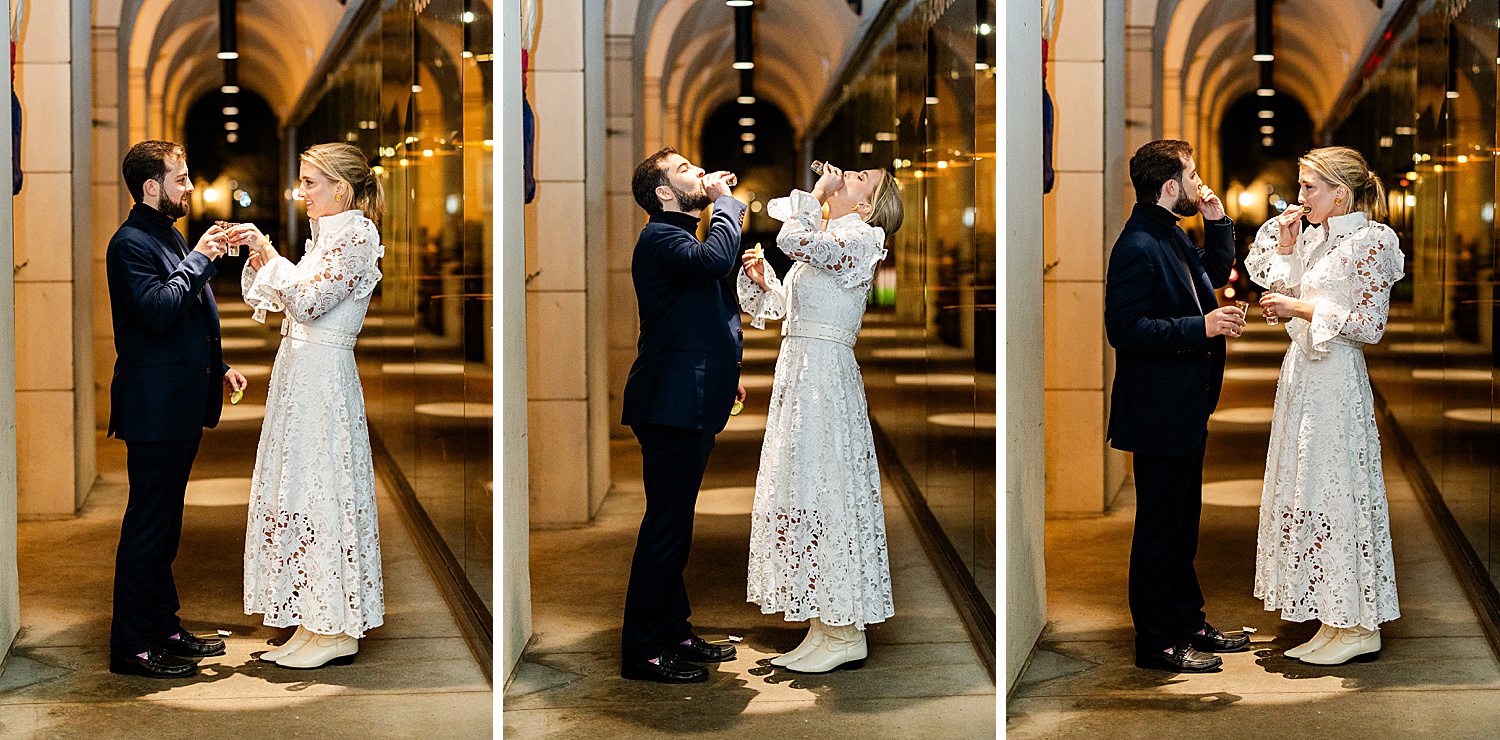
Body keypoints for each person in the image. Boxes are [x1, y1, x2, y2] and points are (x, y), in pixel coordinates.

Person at [738, 162, 903, 674]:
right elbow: (800, 305)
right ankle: (824, 621)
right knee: (803, 489)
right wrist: (768, 285)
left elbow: (793, 239)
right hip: (801, 373)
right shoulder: (831, 238)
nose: (846, 175)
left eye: (859, 179)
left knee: (826, 488)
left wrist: (813, 191)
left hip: (825, 378)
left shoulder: (862, 237)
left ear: (867, 204)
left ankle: (844, 630)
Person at [232, 143, 386, 669]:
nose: (302, 192)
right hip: (299, 373)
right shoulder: (326, 239)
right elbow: (289, 297)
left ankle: (336, 627)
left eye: (310, 182)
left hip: (323, 376)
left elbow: (308, 301)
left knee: (324, 491)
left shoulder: (359, 236)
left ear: (341, 187)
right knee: (297, 489)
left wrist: (273, 261)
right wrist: (264, 259)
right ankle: (309, 616)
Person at [1247, 146, 1402, 665]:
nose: (1300, 197)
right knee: (1307, 488)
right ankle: (1335, 617)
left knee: (1339, 490)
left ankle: (1360, 626)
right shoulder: (1313, 236)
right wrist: (1289, 253)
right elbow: (1288, 293)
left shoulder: (1373, 240)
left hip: (1337, 379)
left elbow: (1369, 326)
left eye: (1310, 187)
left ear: (1340, 191)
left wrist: (1299, 306)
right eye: (1301, 185)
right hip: (1303, 378)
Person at [1104, 139, 1249, 673]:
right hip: (1159, 411)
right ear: (1170, 187)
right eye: (1192, 177)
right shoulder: (1137, 245)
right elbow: (1124, 330)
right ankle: (1157, 641)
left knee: (1184, 523)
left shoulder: (1169, 232)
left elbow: (1208, 275)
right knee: (1160, 530)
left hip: (1185, 406)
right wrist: (1201, 327)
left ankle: (1188, 621)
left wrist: (1217, 223)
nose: (1198, 184)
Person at [105, 140, 248, 678]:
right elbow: (159, 310)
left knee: (165, 527)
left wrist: (220, 363)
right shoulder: (130, 243)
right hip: (153, 409)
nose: (190, 187)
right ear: (151, 187)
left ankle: (163, 626)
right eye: (181, 179)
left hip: (178, 402)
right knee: (148, 527)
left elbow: (184, 318)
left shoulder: (165, 234)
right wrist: (202, 259)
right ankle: (131, 646)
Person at [619, 147, 746, 684]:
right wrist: (728, 206)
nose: (699, 171)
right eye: (685, 170)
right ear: (665, 193)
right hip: (669, 406)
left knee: (674, 525)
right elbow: (714, 262)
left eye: (699, 164)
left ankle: (676, 632)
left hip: (688, 401)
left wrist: (727, 370)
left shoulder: (680, 238)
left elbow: (710, 302)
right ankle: (644, 651)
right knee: (666, 530)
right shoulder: (660, 238)